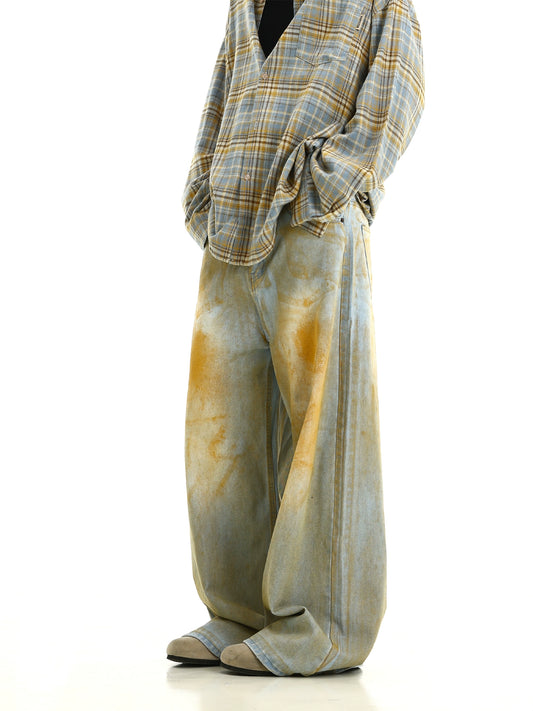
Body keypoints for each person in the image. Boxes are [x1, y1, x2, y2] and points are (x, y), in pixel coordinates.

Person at [167, 0, 425, 677]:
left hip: (314, 228)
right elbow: (221, 93)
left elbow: (398, 94)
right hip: (231, 222)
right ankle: (238, 609)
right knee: (223, 431)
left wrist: (325, 187)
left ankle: (324, 626)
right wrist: (203, 189)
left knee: (323, 429)